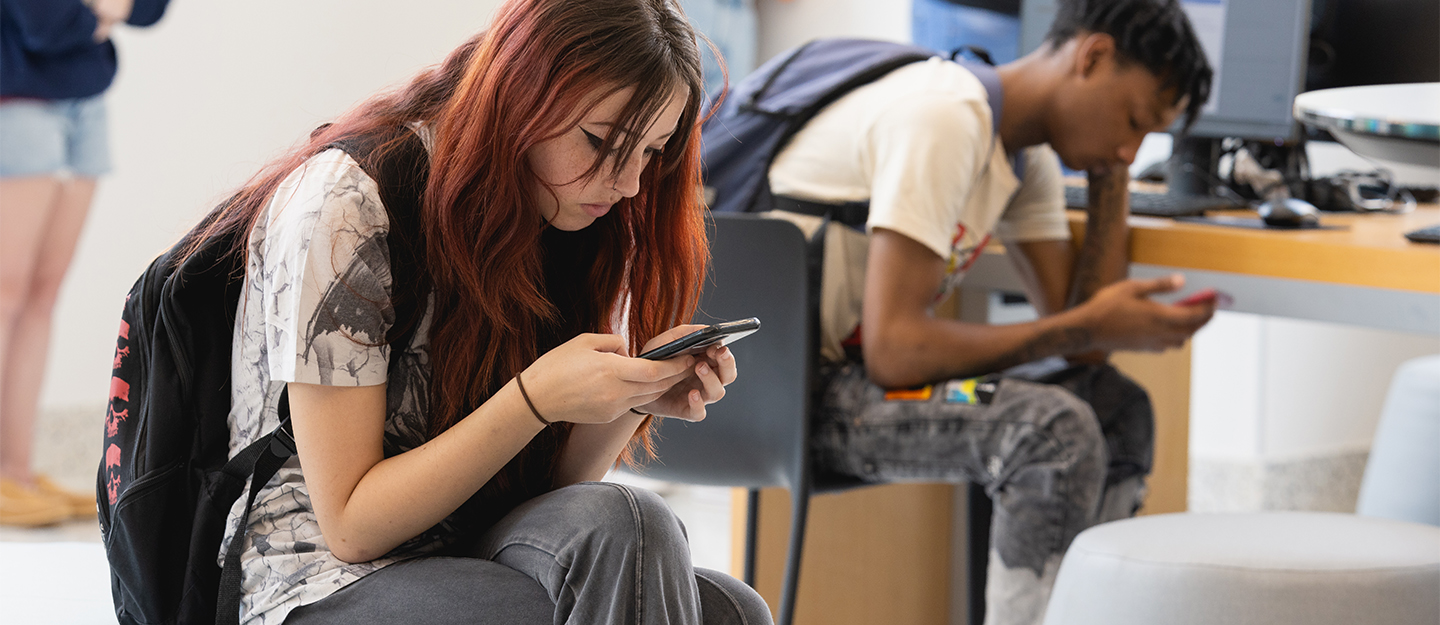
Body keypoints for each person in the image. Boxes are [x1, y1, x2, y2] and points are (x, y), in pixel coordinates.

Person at [178, 0, 771, 623]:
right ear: (520, 91)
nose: (627, 184)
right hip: (314, 576)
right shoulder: (347, 201)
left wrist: (629, 399)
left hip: (467, 543)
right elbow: (352, 525)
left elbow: (550, 494)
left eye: (650, 153)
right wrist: (533, 400)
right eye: (601, 141)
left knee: (725, 604)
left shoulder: (564, 209)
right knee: (578, 575)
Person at [738, 1, 1216, 623]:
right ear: (1092, 56)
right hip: (784, 393)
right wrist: (1085, 325)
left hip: (848, 383)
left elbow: (1083, 349)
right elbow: (897, 350)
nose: (1132, 149)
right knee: (1050, 430)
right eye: (1132, 120)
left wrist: (1111, 181)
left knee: (1115, 405)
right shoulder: (946, 117)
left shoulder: (1024, 157)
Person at [0, 0, 171, 526]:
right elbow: (44, 24)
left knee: (41, 293)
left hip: (87, 101)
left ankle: (16, 470)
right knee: (6, 291)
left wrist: (102, 11)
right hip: (18, 98)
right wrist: (101, 12)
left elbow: (150, 9)